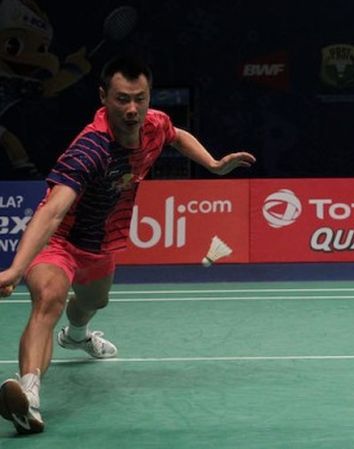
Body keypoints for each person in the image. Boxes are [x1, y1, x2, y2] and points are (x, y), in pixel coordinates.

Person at [0, 55, 256, 434]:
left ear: (150, 96)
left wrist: (213, 164)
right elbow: (52, 212)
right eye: (122, 99)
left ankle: (77, 336)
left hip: (103, 243)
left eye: (140, 98)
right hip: (61, 242)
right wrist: (16, 269)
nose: (132, 109)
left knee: (93, 301)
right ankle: (29, 397)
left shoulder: (154, 125)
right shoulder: (90, 150)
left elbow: (177, 134)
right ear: (103, 96)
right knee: (48, 300)